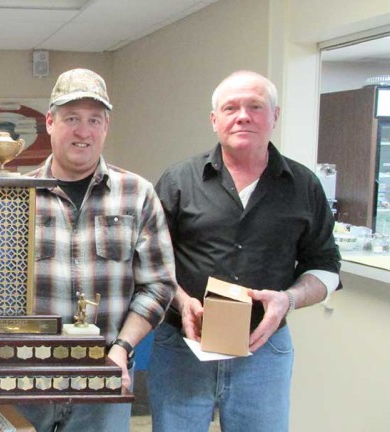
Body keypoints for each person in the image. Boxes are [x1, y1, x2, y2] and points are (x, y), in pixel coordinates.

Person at [148, 70, 341, 432]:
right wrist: (181, 301)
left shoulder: (304, 186)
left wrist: (289, 299)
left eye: (255, 106)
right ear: (214, 120)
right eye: (230, 108)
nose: (243, 116)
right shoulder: (178, 181)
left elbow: (326, 266)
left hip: (263, 354)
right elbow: (150, 263)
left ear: (274, 116)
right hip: (183, 350)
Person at [18, 68, 178, 432]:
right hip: (28, 378)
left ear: (106, 127)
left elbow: (159, 285)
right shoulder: (16, 195)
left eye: (94, 120)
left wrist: (121, 348)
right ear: (50, 122)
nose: (83, 131)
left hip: (105, 375)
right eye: (72, 118)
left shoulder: (137, 194)